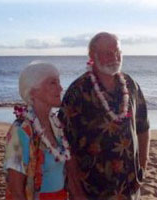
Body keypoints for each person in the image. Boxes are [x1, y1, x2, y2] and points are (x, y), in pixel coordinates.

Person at [58, 32, 150, 200]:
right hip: (91, 189)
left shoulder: (131, 85)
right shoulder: (78, 91)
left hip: (129, 188)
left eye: (118, 52)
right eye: (108, 52)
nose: (115, 57)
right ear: (93, 55)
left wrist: (142, 166)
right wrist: (76, 191)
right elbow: (64, 143)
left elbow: (143, 128)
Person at [4, 61, 71, 200]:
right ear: (33, 91)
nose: (60, 88)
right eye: (53, 83)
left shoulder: (56, 124)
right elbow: (16, 191)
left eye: (59, 82)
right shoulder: (21, 130)